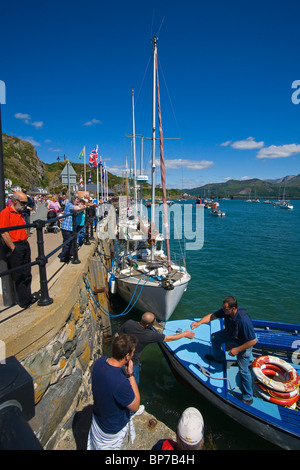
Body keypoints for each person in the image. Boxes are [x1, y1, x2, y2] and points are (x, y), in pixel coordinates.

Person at [191, 296, 257, 404]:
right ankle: (218, 358)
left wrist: (237, 349)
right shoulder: (225, 312)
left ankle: (248, 397)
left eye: (225, 309)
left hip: (244, 344)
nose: (223, 310)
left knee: (243, 370)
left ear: (233, 309)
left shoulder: (244, 321)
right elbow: (212, 316)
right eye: (223, 308)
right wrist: (199, 323)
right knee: (214, 338)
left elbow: (253, 341)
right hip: (232, 335)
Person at [87, 334, 140, 450]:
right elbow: (135, 406)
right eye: (132, 353)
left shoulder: (99, 362)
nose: (133, 355)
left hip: (98, 419)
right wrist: (130, 374)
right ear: (127, 356)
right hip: (112, 429)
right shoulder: (121, 383)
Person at [116, 312, 195, 385]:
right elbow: (169, 338)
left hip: (119, 358)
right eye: (153, 321)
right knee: (133, 386)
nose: (155, 322)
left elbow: (116, 336)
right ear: (147, 325)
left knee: (117, 379)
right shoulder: (149, 335)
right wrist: (185, 334)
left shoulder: (129, 323)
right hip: (132, 363)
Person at [0, 192, 35, 308]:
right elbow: (4, 232)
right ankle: (23, 301)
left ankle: (28, 296)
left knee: (27, 272)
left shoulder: (20, 213)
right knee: (19, 274)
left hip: (24, 244)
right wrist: (13, 247)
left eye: (26, 203)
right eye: (23, 203)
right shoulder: (6, 213)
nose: (25, 205)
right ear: (15, 201)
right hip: (16, 246)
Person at [59, 195, 82, 263]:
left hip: (71, 228)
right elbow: (77, 208)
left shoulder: (73, 205)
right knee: (67, 243)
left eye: (79, 202)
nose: (78, 203)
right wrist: (82, 206)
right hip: (66, 228)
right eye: (77, 201)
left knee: (71, 243)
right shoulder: (69, 205)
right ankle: (64, 258)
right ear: (73, 200)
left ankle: (68, 256)